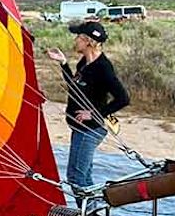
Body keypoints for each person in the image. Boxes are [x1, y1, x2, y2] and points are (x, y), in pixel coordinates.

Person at [47, 21, 130, 204]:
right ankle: (91, 215)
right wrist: (63, 64)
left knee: (76, 177)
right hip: (80, 128)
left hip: (90, 130)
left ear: (88, 41)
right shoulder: (84, 63)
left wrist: (94, 114)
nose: (75, 40)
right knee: (83, 177)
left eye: (78, 37)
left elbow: (123, 98)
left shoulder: (103, 68)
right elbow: (75, 87)